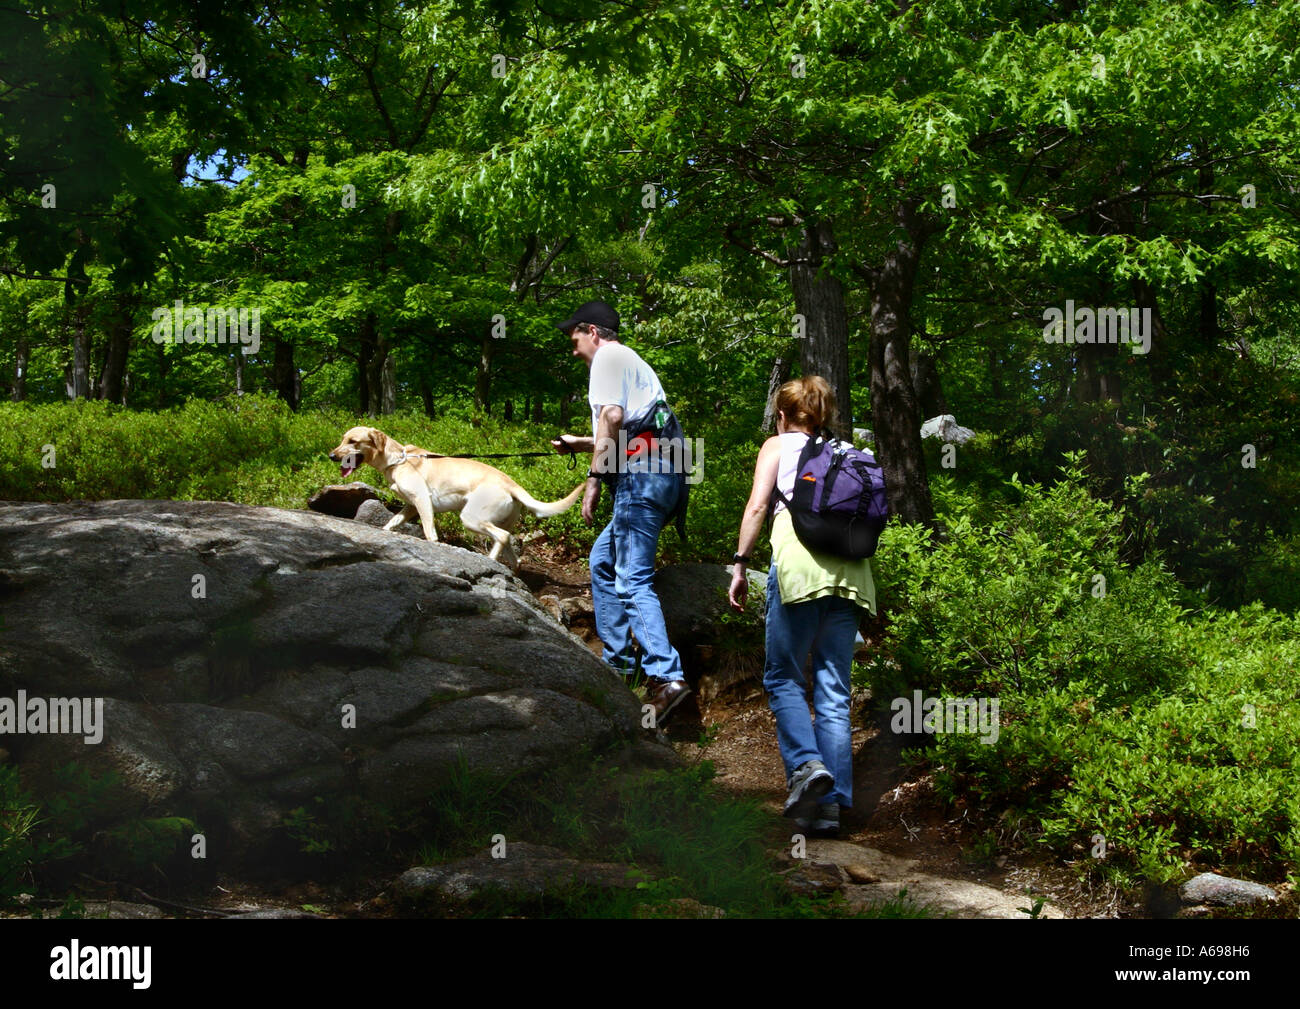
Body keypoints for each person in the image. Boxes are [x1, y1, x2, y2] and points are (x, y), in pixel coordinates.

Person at [727, 376, 876, 836]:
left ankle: (806, 767)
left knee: (783, 678)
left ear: (784, 414)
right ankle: (828, 808)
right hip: (852, 576)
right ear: (824, 415)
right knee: (833, 692)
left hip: (798, 571)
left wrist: (739, 564)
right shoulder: (849, 452)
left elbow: (756, 508)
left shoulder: (777, 446)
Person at [551, 300, 691, 725]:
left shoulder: (608, 357)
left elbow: (611, 416)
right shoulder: (633, 363)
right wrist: (580, 443)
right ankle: (619, 665)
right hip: (665, 474)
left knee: (632, 579)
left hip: (641, 477)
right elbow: (632, 425)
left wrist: (594, 479)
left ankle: (667, 677)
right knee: (602, 562)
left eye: (574, 339)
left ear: (592, 331)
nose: (574, 351)